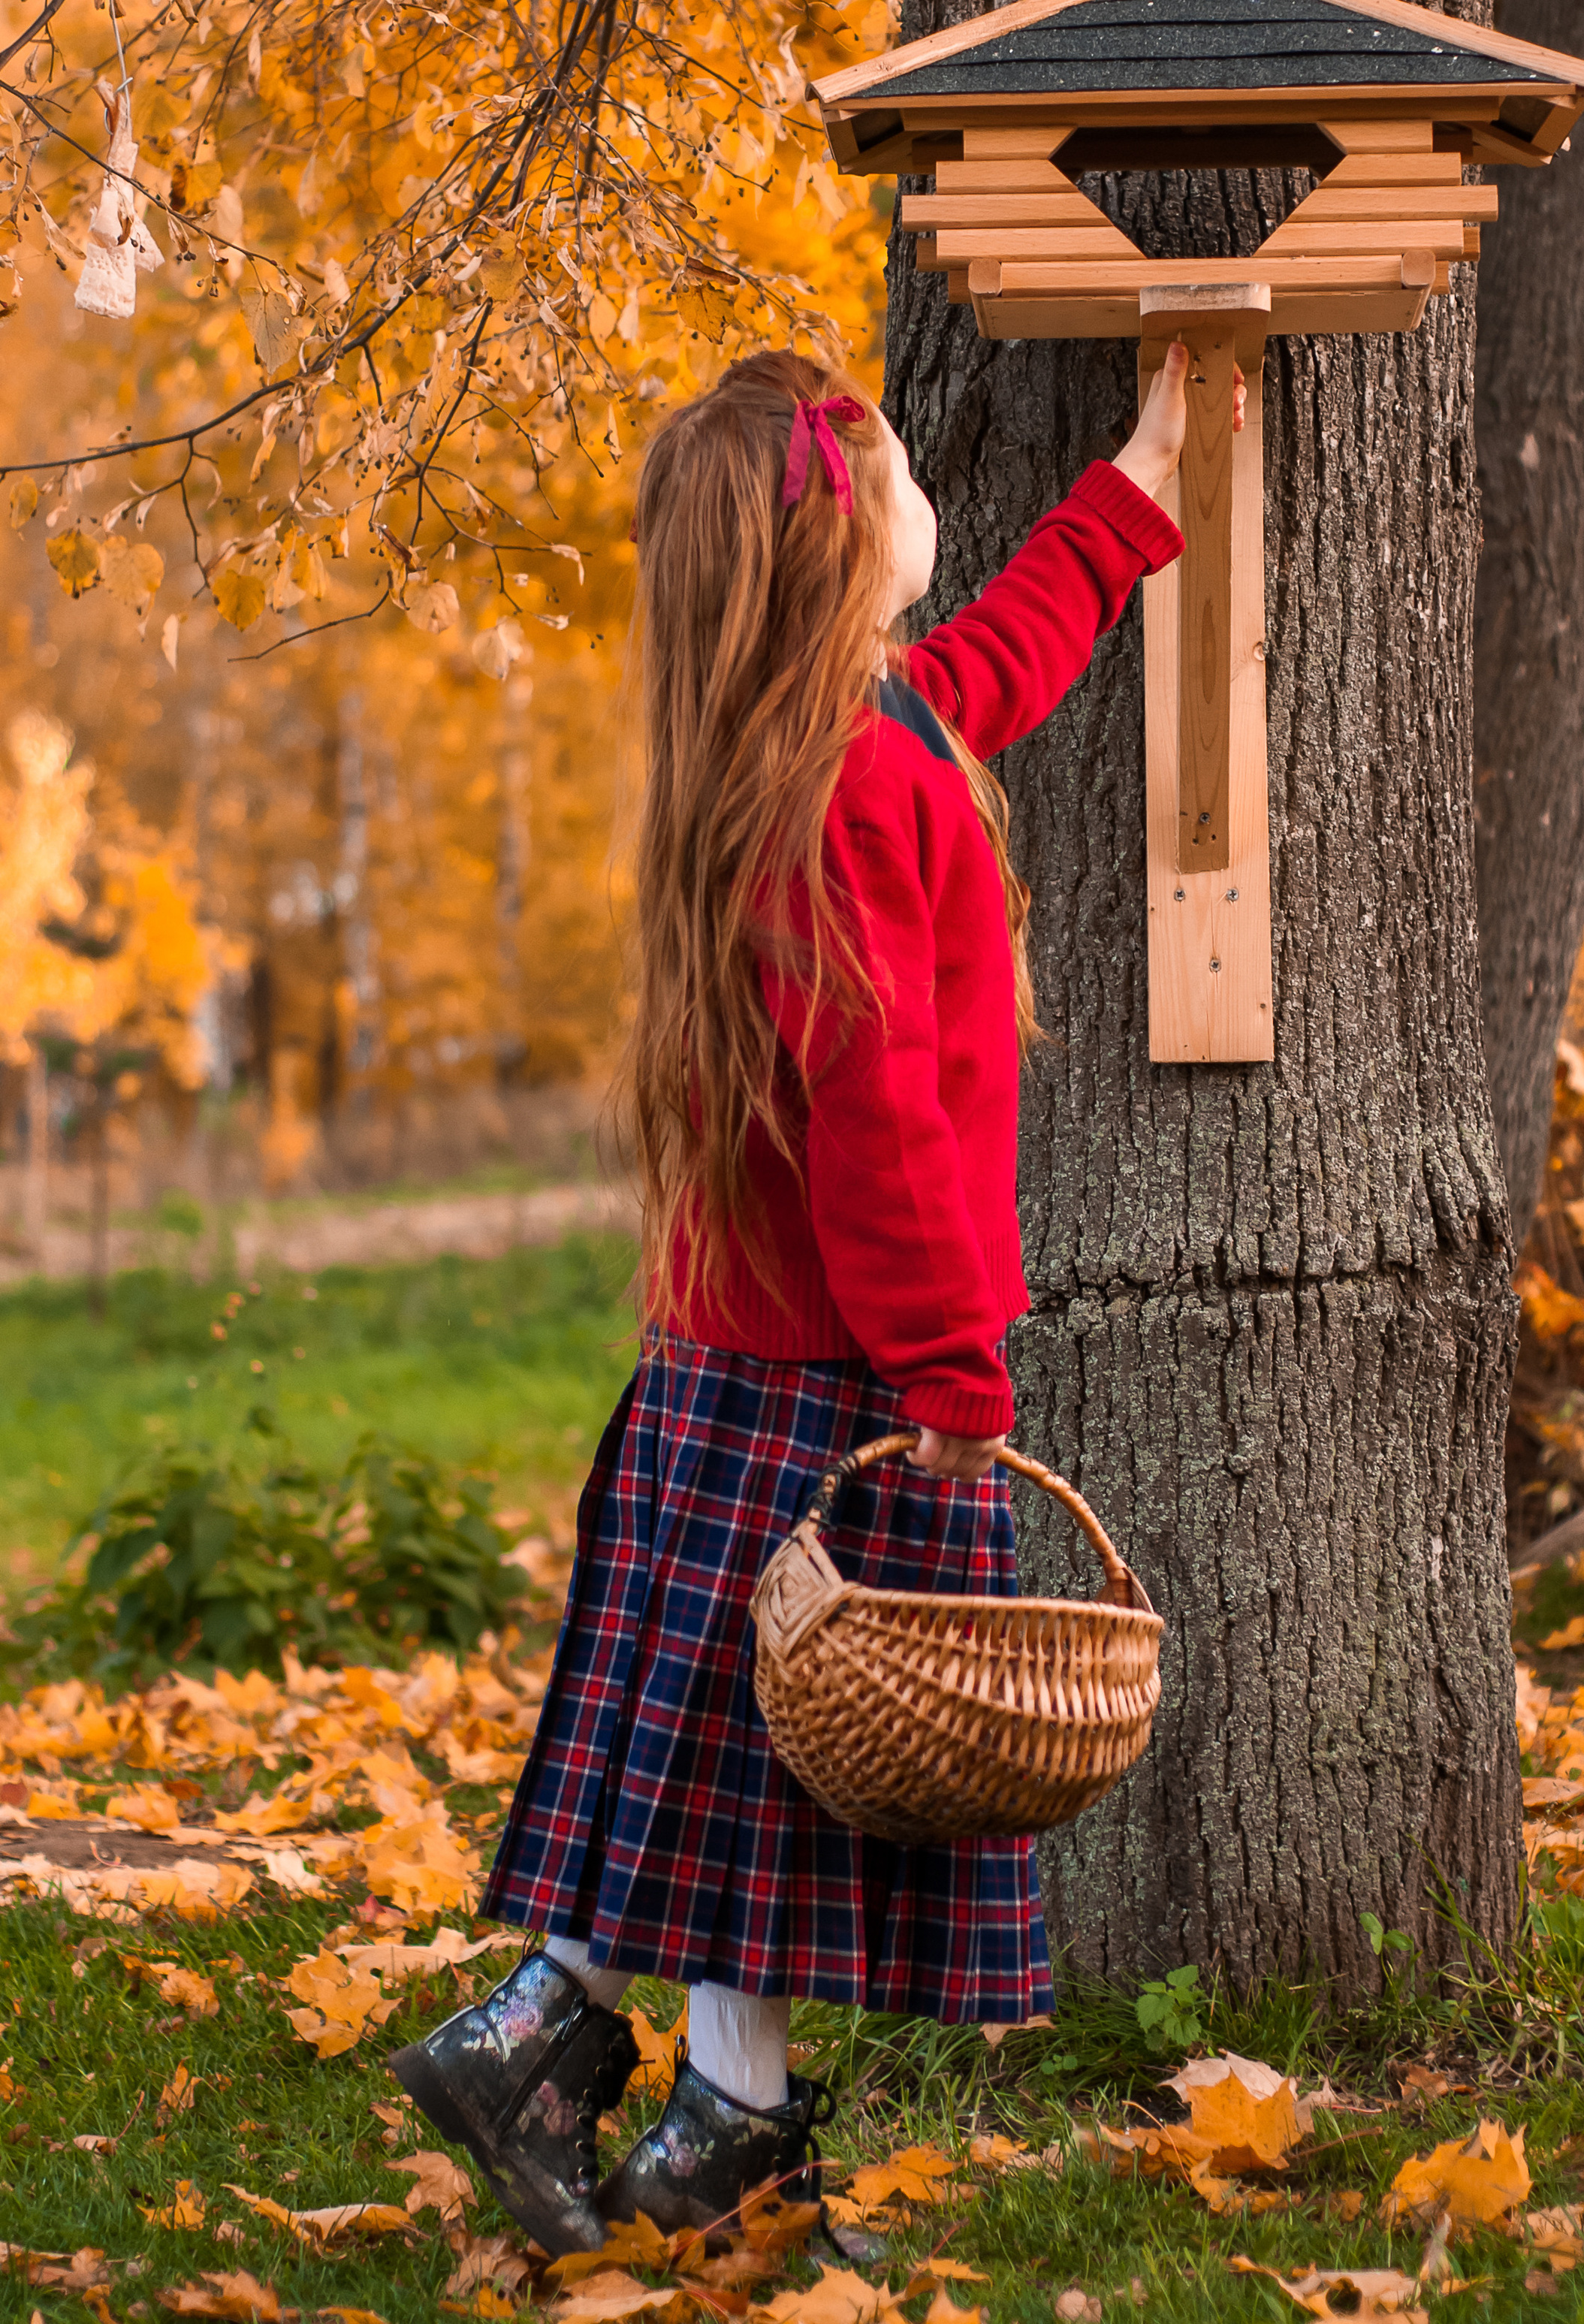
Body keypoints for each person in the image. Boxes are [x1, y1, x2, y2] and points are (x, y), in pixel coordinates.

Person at [390, 337, 1233, 2251]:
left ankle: (626, 2090)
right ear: (840, 540)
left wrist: (1136, 489)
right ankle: (636, 2092)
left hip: (748, 1367)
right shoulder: (844, 792)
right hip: (827, 1373)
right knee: (762, 1779)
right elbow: (878, 1125)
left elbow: (994, 664)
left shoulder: (848, 739)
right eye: (902, 474)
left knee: (738, 1784)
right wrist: (951, 1373)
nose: (930, 498)